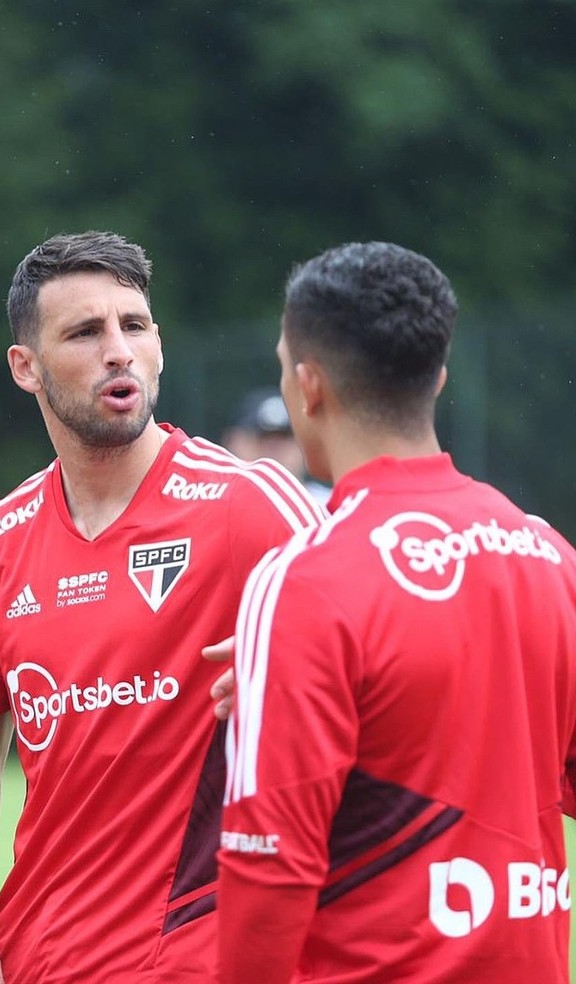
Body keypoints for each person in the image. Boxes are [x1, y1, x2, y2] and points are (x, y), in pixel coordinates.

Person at [0, 231, 327, 982]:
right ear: (25, 368)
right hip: (36, 958)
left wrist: (309, 675)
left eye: (134, 326)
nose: (119, 351)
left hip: (201, 956)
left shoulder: (249, 506)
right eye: (85, 332)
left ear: (159, 347)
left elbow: (382, 679)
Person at [216, 241, 576, 983]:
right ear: (438, 375)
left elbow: (270, 867)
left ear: (308, 386)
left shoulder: (304, 579)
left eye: (285, 366)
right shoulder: (549, 555)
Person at [222, 386, 330, 505]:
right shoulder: (213, 506)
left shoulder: (333, 509)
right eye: (262, 438)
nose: (273, 449)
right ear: (233, 442)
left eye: (285, 437)